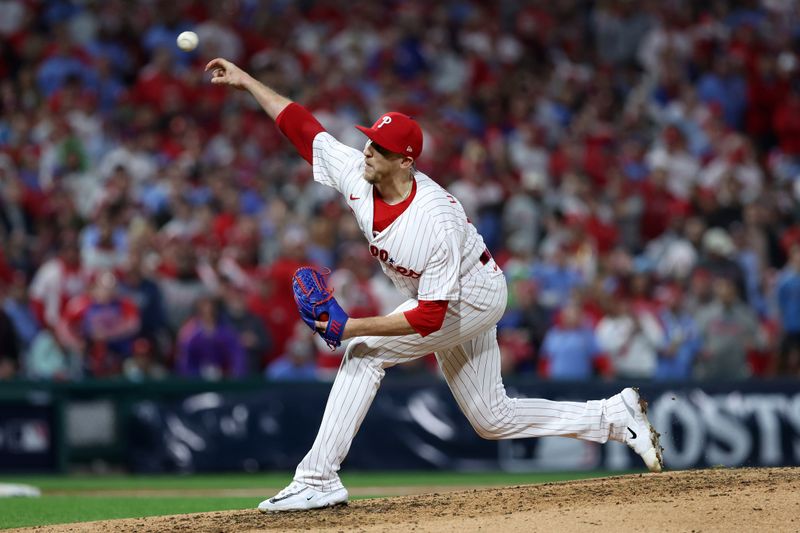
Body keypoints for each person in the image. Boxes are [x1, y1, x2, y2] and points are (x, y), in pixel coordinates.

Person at [205, 57, 664, 513]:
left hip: (473, 296)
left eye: (379, 148)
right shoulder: (360, 177)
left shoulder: (433, 219)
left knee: (365, 350)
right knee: (491, 417)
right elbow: (305, 130)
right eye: (369, 141)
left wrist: (350, 327)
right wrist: (247, 82)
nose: (367, 151)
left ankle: (317, 478)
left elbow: (430, 317)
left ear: (405, 161)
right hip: (446, 291)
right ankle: (612, 416)